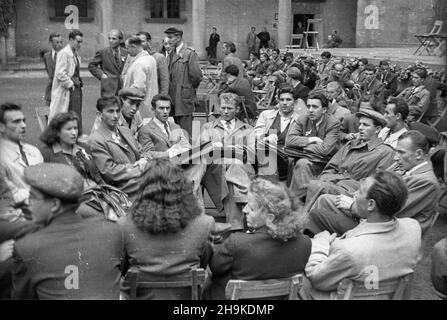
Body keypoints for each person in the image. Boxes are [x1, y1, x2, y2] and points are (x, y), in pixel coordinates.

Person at [12, 163, 124, 299]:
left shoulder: (27, 247)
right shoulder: (112, 230)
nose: (28, 203)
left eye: (32, 197)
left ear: (54, 204)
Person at [303, 171, 421, 300]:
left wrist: (320, 243)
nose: (354, 194)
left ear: (371, 204)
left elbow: (316, 278)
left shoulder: (350, 251)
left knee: (294, 275)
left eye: (359, 191)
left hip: (341, 294)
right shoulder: (413, 227)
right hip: (386, 293)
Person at [307, 130, 440, 235]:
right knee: (324, 199)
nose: (395, 157)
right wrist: (356, 197)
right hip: (370, 212)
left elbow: (390, 213)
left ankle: (311, 248)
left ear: (418, 154)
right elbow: (375, 183)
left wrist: (353, 206)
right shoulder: (405, 167)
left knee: (317, 214)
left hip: (383, 231)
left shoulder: (426, 182)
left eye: (401, 152)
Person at [119, 159, 215, 300]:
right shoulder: (205, 224)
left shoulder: (124, 226)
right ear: (182, 188)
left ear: (143, 190)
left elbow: (123, 268)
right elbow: (204, 261)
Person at [204, 177, 311, 300]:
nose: (245, 210)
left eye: (251, 208)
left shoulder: (237, 243)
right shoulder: (305, 243)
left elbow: (214, 268)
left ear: (270, 217)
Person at [304, 108, 395, 217]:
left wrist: (340, 181)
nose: (360, 128)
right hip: (332, 184)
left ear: (377, 129)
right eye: (360, 124)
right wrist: (328, 178)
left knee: (316, 185)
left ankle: (302, 223)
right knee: (315, 182)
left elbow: (376, 185)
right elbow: (331, 167)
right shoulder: (350, 144)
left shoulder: (385, 152)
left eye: (366, 125)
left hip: (354, 193)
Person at [198, 93, 256, 231]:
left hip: (241, 169)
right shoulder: (208, 127)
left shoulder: (247, 129)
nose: (225, 111)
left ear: (237, 109)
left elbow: (250, 153)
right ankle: (245, 204)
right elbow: (205, 151)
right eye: (223, 107)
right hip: (216, 169)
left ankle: (234, 225)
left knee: (233, 169)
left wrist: (222, 148)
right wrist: (235, 150)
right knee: (232, 168)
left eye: (229, 108)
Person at [88, 97, 150, 200]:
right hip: (120, 189)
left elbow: (142, 151)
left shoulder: (126, 131)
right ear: (99, 115)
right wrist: (139, 169)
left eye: (117, 111)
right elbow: (110, 172)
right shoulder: (96, 140)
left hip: (138, 179)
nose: (116, 116)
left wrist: (144, 159)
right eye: (110, 112)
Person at [287, 91, 341, 198]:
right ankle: (299, 199)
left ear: (324, 109)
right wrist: (312, 139)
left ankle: (297, 200)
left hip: (324, 161)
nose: (310, 110)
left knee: (303, 163)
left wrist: (300, 147)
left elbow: (325, 149)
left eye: (315, 107)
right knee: (295, 162)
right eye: (309, 106)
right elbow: (289, 140)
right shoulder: (303, 119)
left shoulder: (333, 123)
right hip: (305, 157)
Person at [0, 103, 43, 222]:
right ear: (2, 127)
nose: (23, 125)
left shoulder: (34, 151)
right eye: (16, 122)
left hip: (44, 212)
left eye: (24, 121)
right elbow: (7, 199)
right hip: (18, 220)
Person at [39, 112, 102, 189]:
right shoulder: (46, 153)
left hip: (96, 194)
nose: (74, 133)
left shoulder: (84, 148)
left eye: (75, 128)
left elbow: (97, 175)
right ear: (57, 132)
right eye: (69, 129)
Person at [255, 86, 300, 180]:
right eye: (282, 100)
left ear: (295, 102)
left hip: (285, 157)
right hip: (263, 152)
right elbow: (257, 132)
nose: (284, 103)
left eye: (288, 100)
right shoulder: (266, 115)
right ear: (278, 101)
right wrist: (265, 138)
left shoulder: (300, 120)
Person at [165, 27, 203, 138]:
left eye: (171, 37)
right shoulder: (171, 53)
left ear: (178, 37)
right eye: (168, 37)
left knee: (185, 133)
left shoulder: (189, 54)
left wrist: (189, 89)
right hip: (172, 99)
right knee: (174, 133)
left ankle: (187, 154)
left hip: (184, 99)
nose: (169, 40)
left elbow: (196, 76)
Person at [49, 29, 84, 128]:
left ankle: (76, 134)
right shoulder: (64, 53)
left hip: (76, 87)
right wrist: (70, 84)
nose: (80, 44)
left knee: (76, 112)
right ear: (71, 40)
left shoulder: (75, 54)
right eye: (78, 41)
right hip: (68, 88)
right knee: (67, 113)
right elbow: (60, 73)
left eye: (81, 42)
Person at [121, 36, 159, 119]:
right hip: (149, 104)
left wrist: (123, 93)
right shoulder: (150, 58)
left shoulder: (139, 63)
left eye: (128, 48)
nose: (127, 51)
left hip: (139, 107)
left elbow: (139, 88)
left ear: (134, 47)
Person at [88, 29, 127, 98]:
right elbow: (91, 65)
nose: (111, 41)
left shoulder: (126, 52)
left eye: (114, 39)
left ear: (120, 40)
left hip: (122, 87)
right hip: (108, 87)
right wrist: (102, 75)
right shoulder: (103, 52)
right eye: (109, 38)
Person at [136, 31, 170, 96]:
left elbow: (164, 81)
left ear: (149, 42)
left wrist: (163, 97)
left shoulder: (159, 58)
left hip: (152, 97)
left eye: (142, 41)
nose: (139, 44)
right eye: (137, 42)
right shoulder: (133, 57)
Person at [43, 32, 63, 106]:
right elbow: (49, 72)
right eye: (57, 42)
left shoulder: (66, 55)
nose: (60, 44)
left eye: (61, 42)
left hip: (63, 89)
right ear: (50, 43)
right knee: (47, 113)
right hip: (51, 90)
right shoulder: (46, 56)